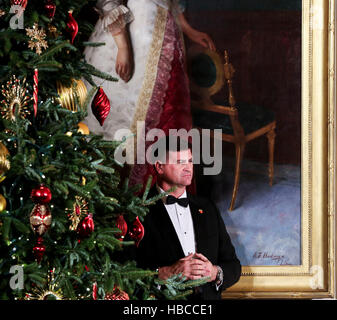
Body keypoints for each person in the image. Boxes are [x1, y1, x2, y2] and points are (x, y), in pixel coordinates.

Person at [83, 0, 216, 188]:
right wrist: (123, 46)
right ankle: (135, 200)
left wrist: (188, 30)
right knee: (128, 128)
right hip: (135, 37)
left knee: (174, 120)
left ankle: (169, 197)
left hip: (169, 41)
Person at [135, 136, 241, 300]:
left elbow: (233, 265)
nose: (188, 168)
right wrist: (166, 273)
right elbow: (121, 270)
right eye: (179, 162)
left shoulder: (207, 208)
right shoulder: (137, 210)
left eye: (190, 161)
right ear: (159, 167)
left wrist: (213, 272)